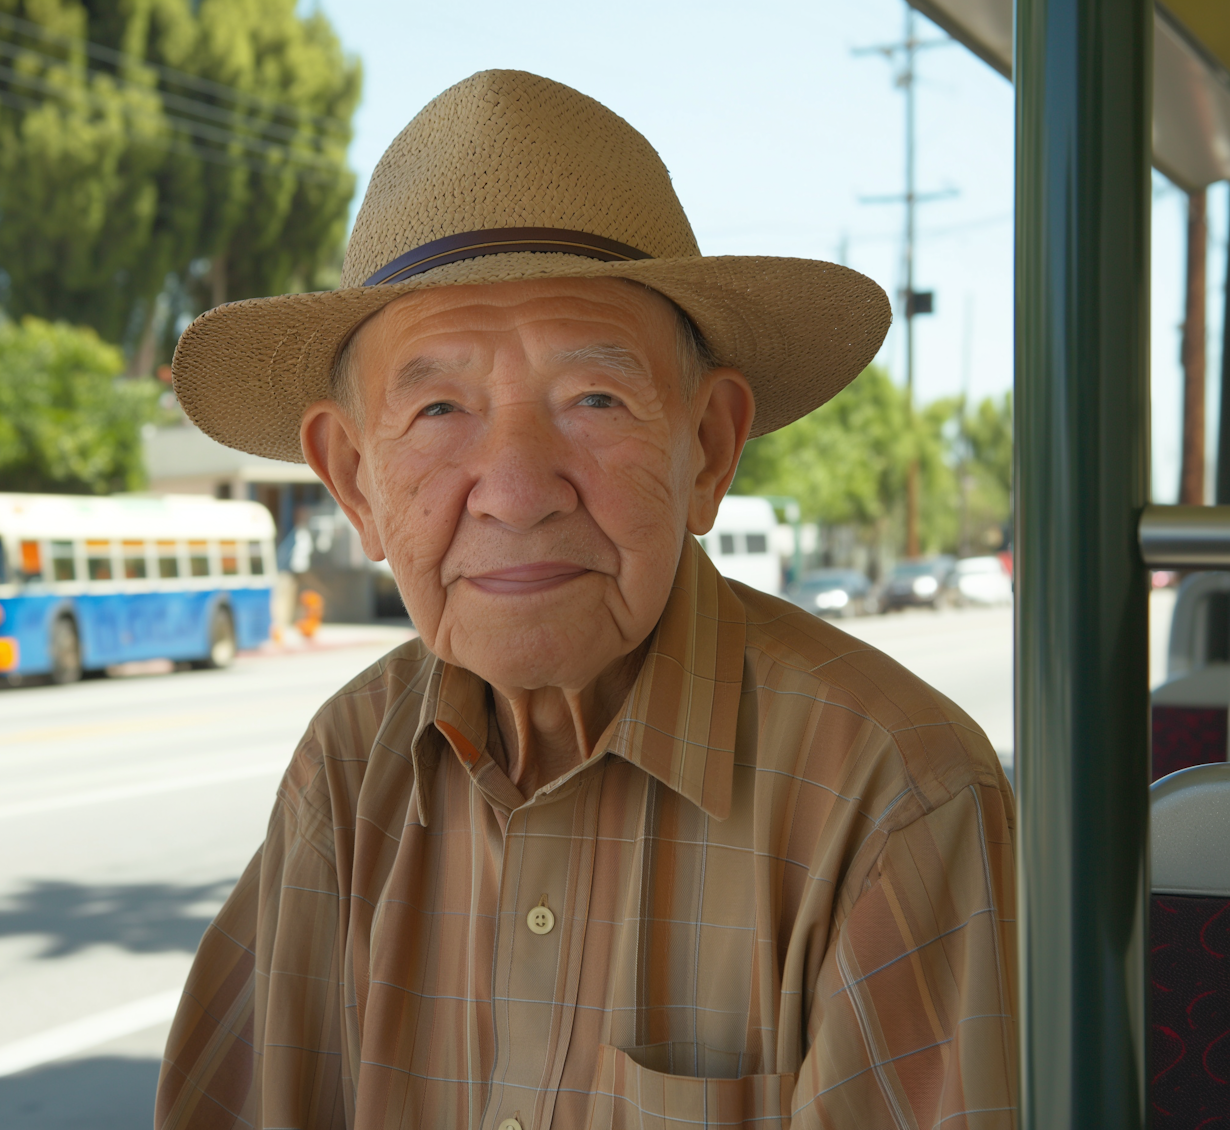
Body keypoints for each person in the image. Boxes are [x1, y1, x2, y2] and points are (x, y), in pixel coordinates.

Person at [157, 70, 1015, 1130]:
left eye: (594, 397)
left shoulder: (892, 798)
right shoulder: (345, 772)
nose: (516, 492)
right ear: (354, 482)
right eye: (436, 408)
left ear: (706, 449)